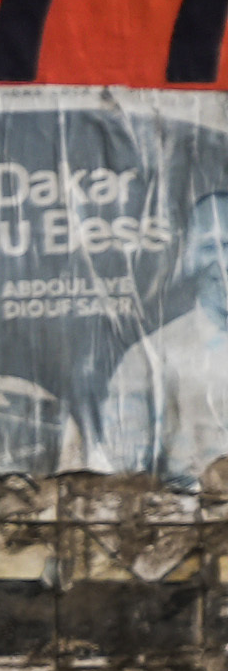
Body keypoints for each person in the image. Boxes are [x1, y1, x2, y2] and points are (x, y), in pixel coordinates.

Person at [95, 188, 228, 488]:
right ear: (189, 256)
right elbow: (123, 467)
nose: (225, 260)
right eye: (212, 247)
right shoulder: (147, 359)